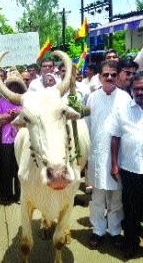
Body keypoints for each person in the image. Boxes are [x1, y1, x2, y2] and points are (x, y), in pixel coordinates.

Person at [86, 60, 132, 248]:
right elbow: (86, 128)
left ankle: (114, 231)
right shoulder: (92, 98)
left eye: (113, 74)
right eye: (106, 75)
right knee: (97, 197)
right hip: (96, 156)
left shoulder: (125, 98)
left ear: (118, 75)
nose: (110, 78)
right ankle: (98, 230)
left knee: (116, 198)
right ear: (99, 77)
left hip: (118, 158)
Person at [110, 71, 143, 259]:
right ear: (131, 89)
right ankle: (131, 244)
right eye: (136, 89)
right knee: (130, 210)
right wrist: (114, 164)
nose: (140, 92)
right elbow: (115, 138)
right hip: (130, 170)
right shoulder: (124, 110)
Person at [0, 68, 25, 203]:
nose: (14, 87)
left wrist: (18, 114)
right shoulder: (1, 100)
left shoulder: (24, 99)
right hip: (6, 138)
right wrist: (9, 116)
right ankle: (6, 195)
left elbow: (28, 116)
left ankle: (20, 195)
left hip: (22, 138)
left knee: (20, 167)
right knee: (6, 167)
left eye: (16, 85)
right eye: (11, 85)